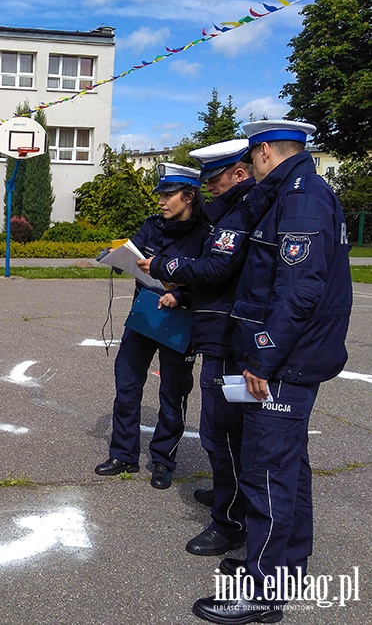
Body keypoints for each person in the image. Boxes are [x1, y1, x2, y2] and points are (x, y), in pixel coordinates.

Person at [192, 121, 353, 625]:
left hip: (283, 362)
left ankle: (264, 592)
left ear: (262, 152)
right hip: (289, 357)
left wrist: (261, 357)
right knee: (288, 469)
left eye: (251, 155)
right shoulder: (295, 190)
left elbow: (299, 290)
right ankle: (286, 566)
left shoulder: (301, 198)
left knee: (267, 472)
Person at [139, 140, 262, 556]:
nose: (208, 187)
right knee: (225, 432)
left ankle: (229, 522)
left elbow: (215, 268)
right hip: (222, 331)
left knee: (222, 431)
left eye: (214, 178)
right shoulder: (234, 209)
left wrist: (164, 267)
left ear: (239, 174)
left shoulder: (241, 212)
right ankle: (230, 498)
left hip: (229, 336)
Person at [95, 164, 208, 489]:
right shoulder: (153, 226)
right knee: (127, 384)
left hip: (179, 320)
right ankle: (124, 454)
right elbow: (134, 251)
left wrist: (183, 294)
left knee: (173, 393)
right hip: (145, 315)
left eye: (168, 194)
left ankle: (163, 460)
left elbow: (214, 274)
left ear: (189, 196)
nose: (161, 200)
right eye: (159, 194)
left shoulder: (205, 233)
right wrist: (116, 258)